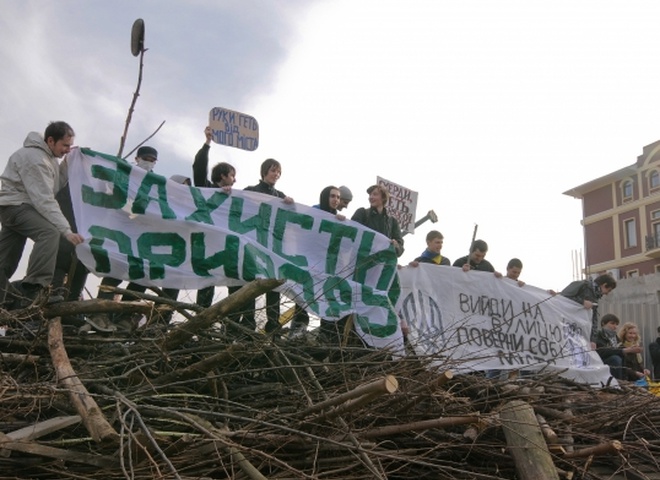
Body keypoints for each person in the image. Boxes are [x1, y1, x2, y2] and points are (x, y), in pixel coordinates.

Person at [0, 121, 84, 309]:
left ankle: (3, 298)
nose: (67, 150)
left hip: (17, 207)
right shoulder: (35, 159)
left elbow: (54, 184)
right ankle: (35, 287)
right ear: (51, 140)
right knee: (49, 233)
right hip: (17, 206)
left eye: (70, 146)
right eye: (65, 145)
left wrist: (67, 164)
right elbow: (45, 199)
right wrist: (66, 230)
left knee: (5, 259)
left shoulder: (48, 158)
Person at [86, 146, 163, 331]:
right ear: (137, 158)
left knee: (140, 273)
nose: (149, 162)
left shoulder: (155, 184)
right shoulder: (122, 175)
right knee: (114, 271)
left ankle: (125, 317)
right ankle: (100, 313)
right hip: (119, 233)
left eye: (153, 160)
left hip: (141, 237)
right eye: (146, 158)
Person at [234, 158, 294, 334]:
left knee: (272, 285)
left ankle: (273, 326)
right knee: (250, 285)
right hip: (252, 246)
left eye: (279, 172)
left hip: (272, 248)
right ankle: (247, 325)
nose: (276, 174)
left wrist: (291, 205)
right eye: (273, 170)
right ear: (264, 171)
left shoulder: (280, 196)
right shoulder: (250, 191)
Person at [191, 126, 236, 308]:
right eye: (232, 175)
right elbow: (199, 168)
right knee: (206, 284)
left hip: (225, 247)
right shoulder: (205, 188)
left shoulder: (234, 197)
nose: (235, 180)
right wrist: (208, 143)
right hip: (206, 245)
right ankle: (202, 320)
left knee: (231, 284)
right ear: (223, 175)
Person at [561, 273, 617, 343]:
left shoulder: (595, 296)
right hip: (565, 326)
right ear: (604, 285)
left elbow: (593, 318)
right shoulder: (582, 285)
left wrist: (593, 340)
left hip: (578, 332)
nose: (607, 294)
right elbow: (561, 298)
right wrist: (582, 302)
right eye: (608, 290)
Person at [351, 184, 404, 257]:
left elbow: (400, 248)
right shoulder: (362, 213)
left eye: (375, 194)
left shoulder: (392, 222)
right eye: (370, 195)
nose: (371, 197)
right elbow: (351, 234)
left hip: (381, 263)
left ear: (383, 198)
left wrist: (396, 246)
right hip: (361, 261)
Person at [593, 313, 643, 381]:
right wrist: (624, 350)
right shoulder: (599, 335)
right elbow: (601, 351)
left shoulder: (615, 338)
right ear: (603, 323)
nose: (615, 326)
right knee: (615, 358)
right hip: (600, 364)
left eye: (616, 324)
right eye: (612, 323)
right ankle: (616, 382)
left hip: (619, 369)